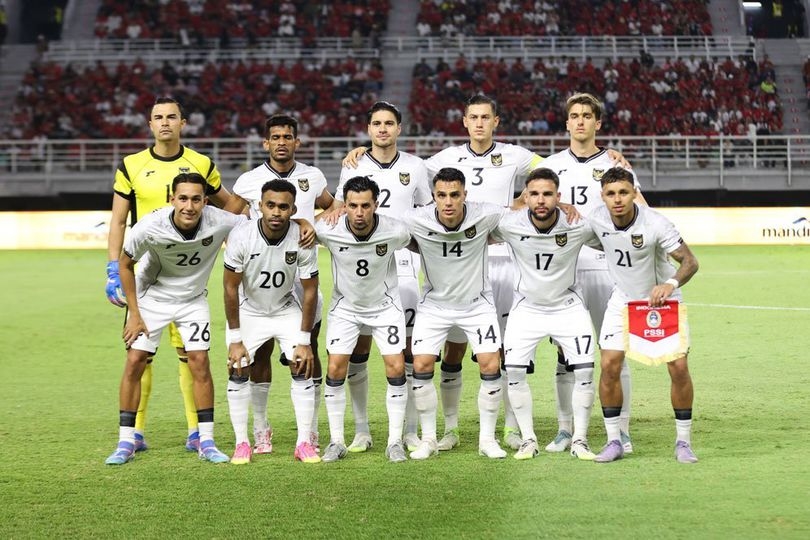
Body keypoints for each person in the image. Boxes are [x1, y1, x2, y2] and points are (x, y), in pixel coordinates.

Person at [105, 97, 239, 453]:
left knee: (190, 356)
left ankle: (197, 431)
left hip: (188, 273)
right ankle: (135, 432)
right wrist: (112, 268)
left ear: (183, 123)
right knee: (139, 355)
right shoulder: (131, 165)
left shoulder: (201, 164)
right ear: (150, 124)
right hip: (145, 274)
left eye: (172, 117)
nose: (165, 122)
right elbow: (118, 220)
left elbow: (230, 205)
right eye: (158, 117)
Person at [540, 93, 646, 454]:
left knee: (614, 351)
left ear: (597, 123)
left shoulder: (616, 165)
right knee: (564, 353)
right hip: (565, 269)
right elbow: (534, 203)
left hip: (607, 269)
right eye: (575, 115)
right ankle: (564, 429)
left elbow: (643, 213)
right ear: (567, 123)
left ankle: (622, 429)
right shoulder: (551, 165)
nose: (581, 121)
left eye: (587, 115)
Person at [326, 101, 432, 453]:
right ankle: (361, 430)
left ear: (399, 128)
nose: (383, 129)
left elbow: (426, 213)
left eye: (389, 123)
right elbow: (339, 208)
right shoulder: (353, 165)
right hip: (365, 267)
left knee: (407, 353)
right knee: (357, 350)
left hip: (405, 265)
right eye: (376, 123)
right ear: (368, 129)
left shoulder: (416, 166)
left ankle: (409, 430)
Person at [227, 114, 336, 454]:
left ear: (296, 142)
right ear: (266, 143)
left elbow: (334, 207)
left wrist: (310, 224)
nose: (281, 142)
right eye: (275, 137)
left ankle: (310, 430)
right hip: (259, 280)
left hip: (300, 278)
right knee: (258, 355)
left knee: (307, 352)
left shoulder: (312, 176)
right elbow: (230, 218)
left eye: (287, 137)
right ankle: (261, 430)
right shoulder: (250, 180)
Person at [587, 167, 699, 464]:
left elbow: (690, 262)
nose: (617, 199)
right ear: (602, 196)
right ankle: (614, 441)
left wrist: (670, 284)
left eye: (624, 192)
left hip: (662, 303)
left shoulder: (656, 223)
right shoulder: (596, 219)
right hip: (623, 301)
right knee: (609, 364)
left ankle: (684, 443)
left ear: (634, 193)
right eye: (611, 194)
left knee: (678, 367)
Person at [401, 167, 509, 460]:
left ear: (465, 195)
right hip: (434, 305)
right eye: (441, 195)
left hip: (477, 305)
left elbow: (524, 214)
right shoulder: (416, 218)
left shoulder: (486, 214)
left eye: (454, 195)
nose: (448, 202)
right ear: (433, 196)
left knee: (490, 363)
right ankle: (429, 439)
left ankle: (487, 440)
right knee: (421, 364)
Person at [493, 168, 599, 460]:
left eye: (548, 194)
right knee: (514, 373)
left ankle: (580, 440)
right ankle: (528, 439)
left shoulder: (578, 225)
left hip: (568, 306)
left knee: (585, 372)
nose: (541, 200)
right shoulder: (509, 224)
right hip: (526, 308)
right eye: (535, 194)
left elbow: (613, 237)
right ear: (525, 197)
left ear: (558, 197)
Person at [223, 180, 320, 465]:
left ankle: (303, 442)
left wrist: (305, 341)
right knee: (238, 368)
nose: (276, 212)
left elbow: (310, 290)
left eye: (283, 207)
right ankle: (244, 441)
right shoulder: (242, 236)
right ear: (259, 206)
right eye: (270, 205)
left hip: (285, 308)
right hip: (250, 310)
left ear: (293, 210)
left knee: (302, 364)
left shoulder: (301, 238)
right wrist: (235, 338)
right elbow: (230, 288)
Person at [316, 176, 411, 463]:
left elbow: (419, 242)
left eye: (365, 206)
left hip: (385, 307)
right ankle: (336, 441)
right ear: (344, 205)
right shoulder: (328, 228)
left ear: (376, 205)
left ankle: (395, 442)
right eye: (353, 206)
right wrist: (323, 214)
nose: (359, 212)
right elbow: (301, 229)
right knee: (335, 367)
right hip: (345, 308)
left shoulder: (395, 230)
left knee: (396, 366)